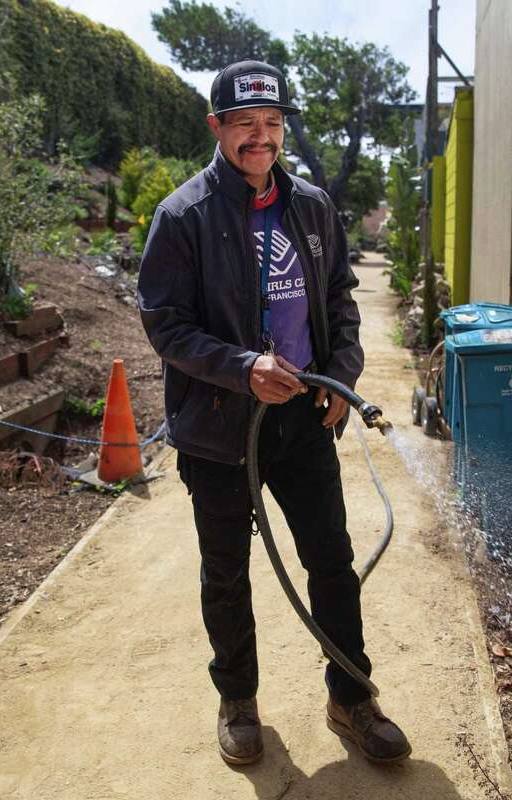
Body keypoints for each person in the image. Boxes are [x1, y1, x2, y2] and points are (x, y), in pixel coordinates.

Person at [137, 60, 410, 766]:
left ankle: (351, 698)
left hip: (302, 423)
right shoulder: (183, 217)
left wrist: (339, 377)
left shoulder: (312, 208)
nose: (260, 139)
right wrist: (241, 368)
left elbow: (341, 304)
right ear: (217, 127)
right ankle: (238, 698)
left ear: (282, 126)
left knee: (331, 561)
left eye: (272, 124)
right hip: (219, 431)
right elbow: (165, 325)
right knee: (225, 571)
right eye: (244, 125)